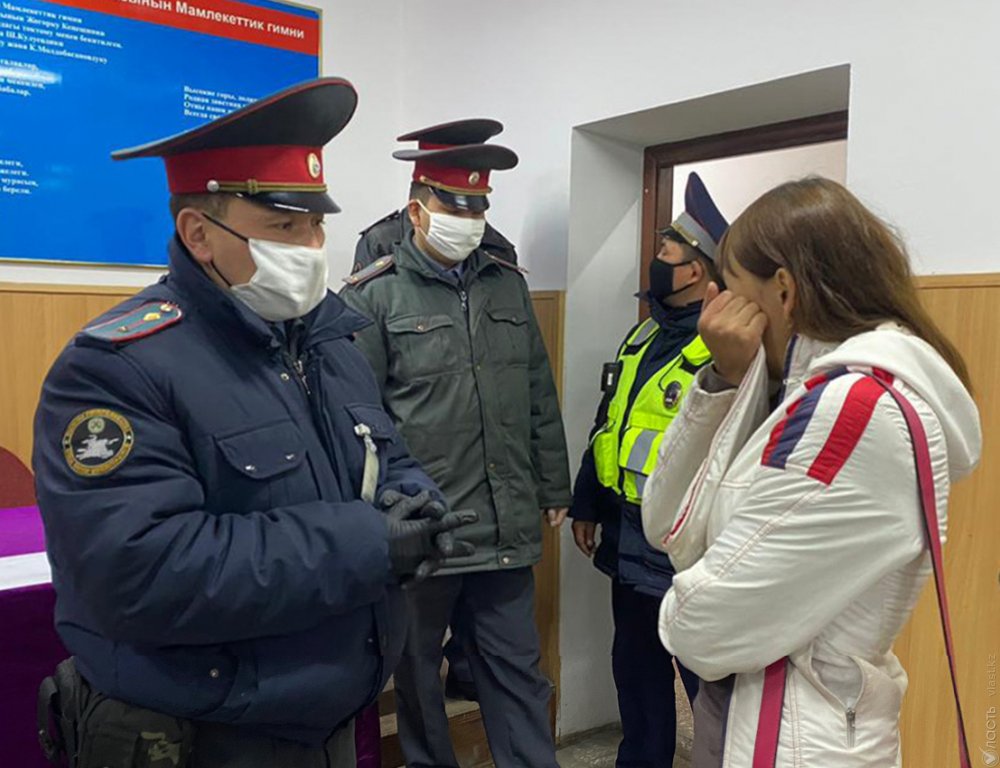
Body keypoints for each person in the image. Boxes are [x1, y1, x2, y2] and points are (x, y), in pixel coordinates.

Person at [32, 78, 474, 768]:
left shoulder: (329, 341)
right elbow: (138, 572)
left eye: (317, 226)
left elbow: (385, 458)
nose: (312, 247)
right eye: (285, 228)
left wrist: (418, 505)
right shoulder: (117, 367)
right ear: (199, 234)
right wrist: (367, 544)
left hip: (323, 721)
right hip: (199, 733)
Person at [641, 177, 981, 766]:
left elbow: (702, 629)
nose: (717, 309)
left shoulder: (854, 411)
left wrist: (683, 600)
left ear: (783, 291)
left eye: (733, 290)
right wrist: (725, 379)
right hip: (758, 715)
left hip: (796, 737)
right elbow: (669, 525)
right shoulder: (796, 393)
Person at [340, 131, 571, 768]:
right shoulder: (374, 295)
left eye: (479, 207)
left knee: (516, 672)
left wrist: (553, 485)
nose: (470, 219)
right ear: (417, 210)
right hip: (424, 530)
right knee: (417, 679)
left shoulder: (506, 285)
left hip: (503, 521)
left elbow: (536, 390)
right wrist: (380, 515)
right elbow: (359, 421)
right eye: (454, 206)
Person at [569, 173, 726, 768]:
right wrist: (587, 503)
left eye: (666, 253)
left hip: (688, 550)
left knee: (707, 684)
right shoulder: (643, 334)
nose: (655, 262)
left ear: (696, 272)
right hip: (628, 540)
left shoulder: (724, 351)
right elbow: (608, 423)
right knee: (636, 672)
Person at [351, 119, 519, 276]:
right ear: (415, 210)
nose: (467, 223)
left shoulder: (498, 249)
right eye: (453, 211)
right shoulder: (382, 242)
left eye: (477, 211)